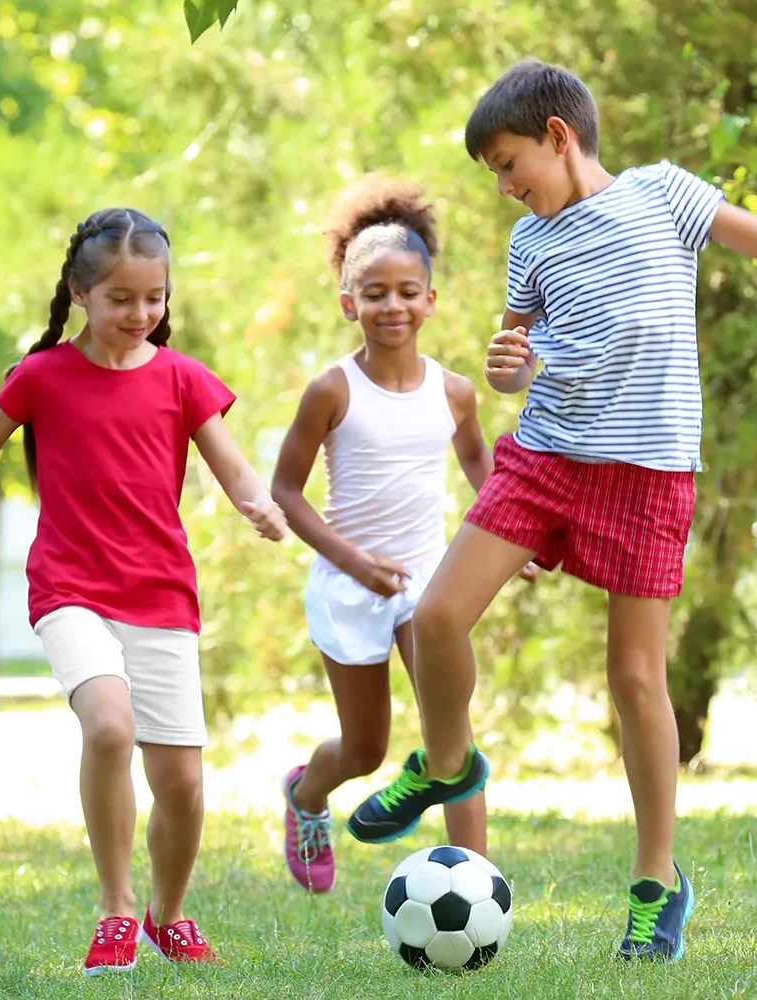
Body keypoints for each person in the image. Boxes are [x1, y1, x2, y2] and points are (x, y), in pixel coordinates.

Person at [343, 58, 757, 962]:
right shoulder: (530, 244)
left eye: (507, 162)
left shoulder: (664, 195)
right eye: (492, 172)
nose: (503, 187)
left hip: (647, 472)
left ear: (559, 137)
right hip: (545, 457)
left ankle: (657, 885)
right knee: (440, 615)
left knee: (636, 680)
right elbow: (525, 355)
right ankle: (443, 765)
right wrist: (509, 371)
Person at [0, 208, 287, 975]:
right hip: (70, 585)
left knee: (181, 786)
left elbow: (230, 464)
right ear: (80, 293)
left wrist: (255, 502)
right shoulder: (41, 377)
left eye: (154, 298)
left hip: (161, 593)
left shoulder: (183, 379)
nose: (140, 315)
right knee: (109, 728)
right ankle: (114, 910)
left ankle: (166, 915)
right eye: (121, 300)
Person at [268, 178, 529, 894]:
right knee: (365, 750)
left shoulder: (453, 391)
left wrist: (508, 532)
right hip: (348, 584)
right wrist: (352, 561)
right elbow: (285, 493)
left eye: (408, 291)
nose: (393, 306)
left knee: (452, 738)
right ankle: (305, 795)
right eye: (375, 293)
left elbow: (479, 459)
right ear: (349, 303)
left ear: (431, 299)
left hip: (428, 585)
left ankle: (475, 884)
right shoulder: (332, 390)